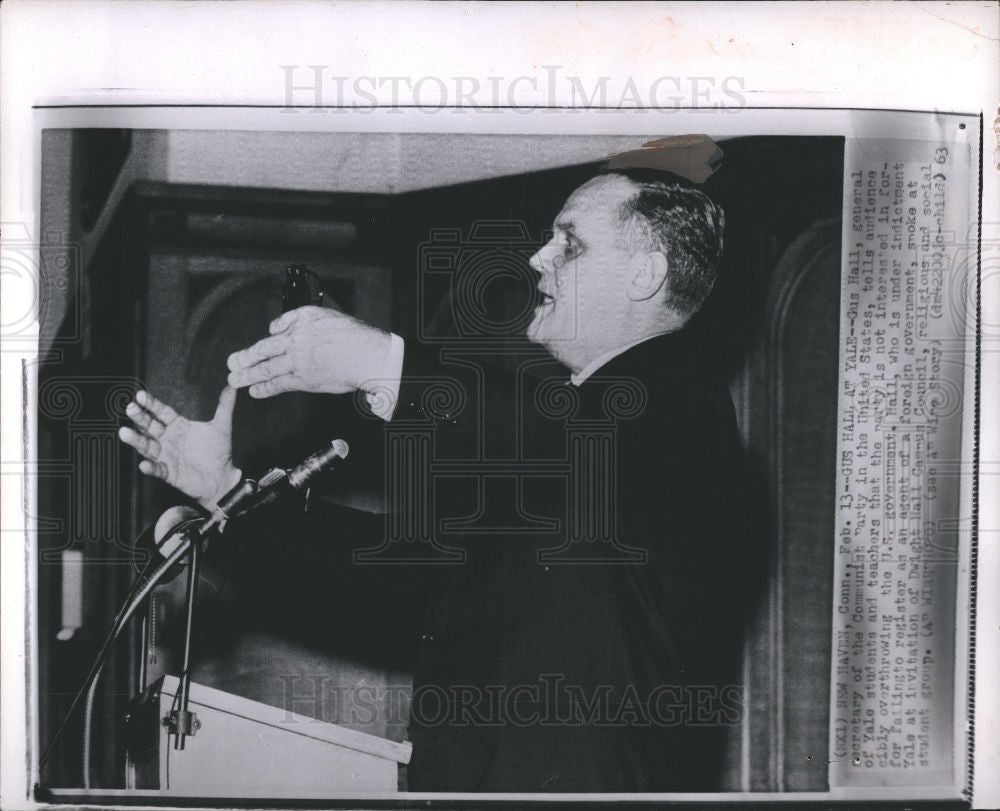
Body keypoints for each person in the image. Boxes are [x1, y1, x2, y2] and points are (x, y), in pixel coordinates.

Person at [119, 170, 747, 792]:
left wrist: (380, 361)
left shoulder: (682, 402)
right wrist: (229, 492)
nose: (537, 258)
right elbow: (405, 579)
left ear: (646, 275)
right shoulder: (555, 452)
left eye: (570, 242)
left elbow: (571, 435)